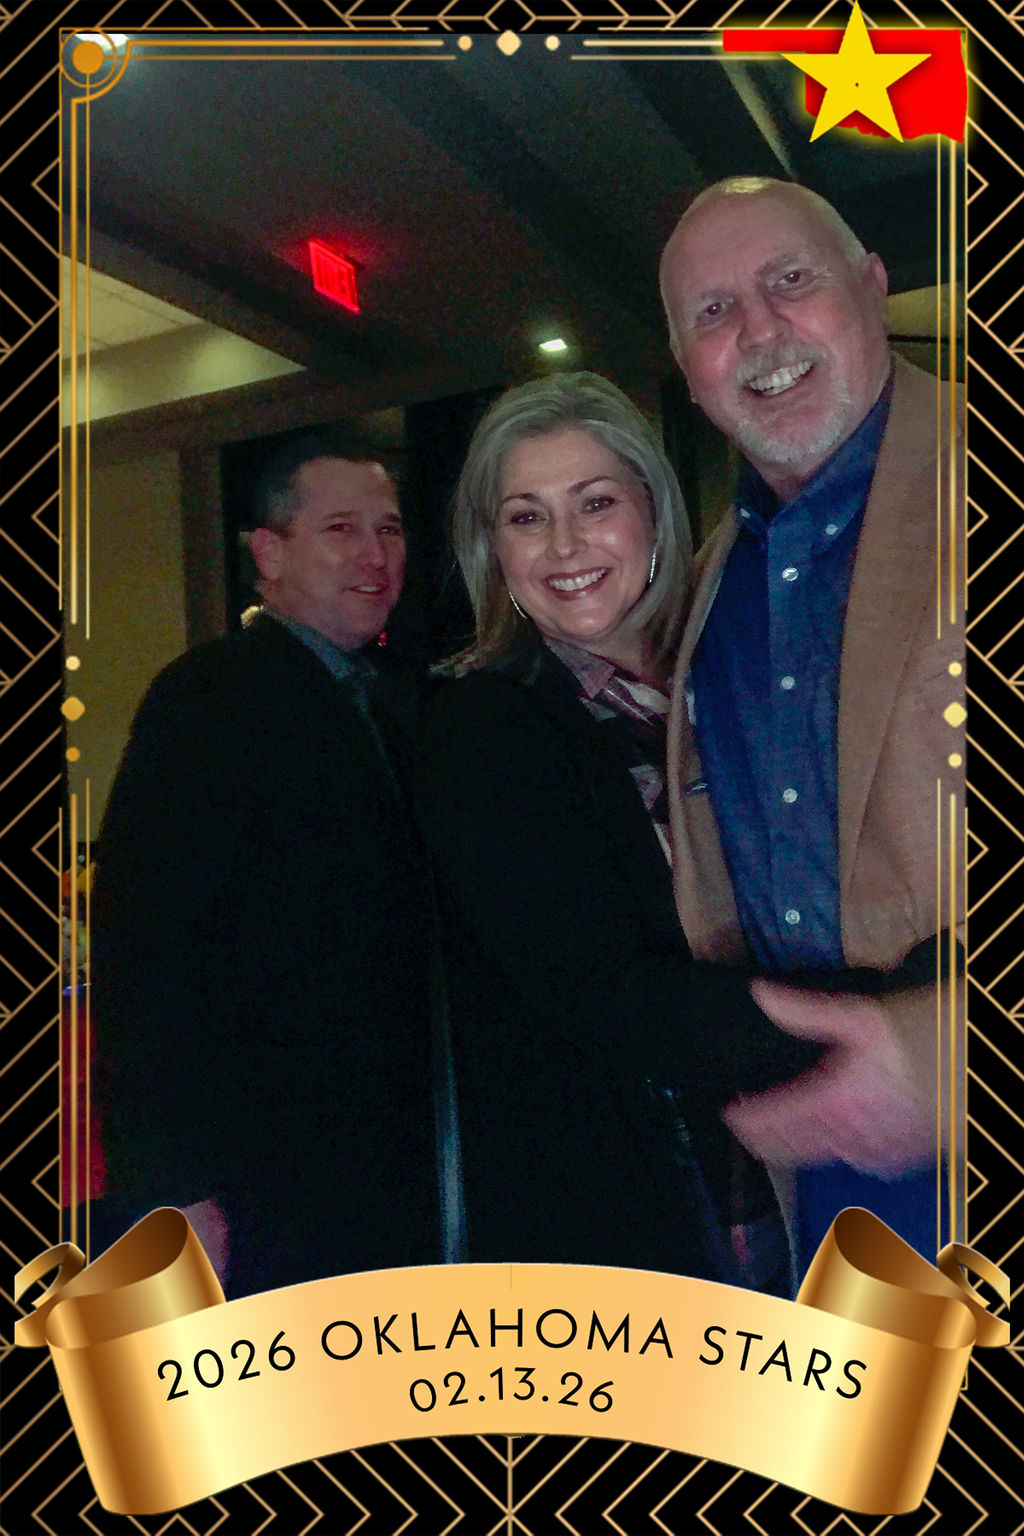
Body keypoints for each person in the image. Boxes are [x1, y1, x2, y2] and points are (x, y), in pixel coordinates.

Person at [417, 371, 835, 1290]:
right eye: (526, 517)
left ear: (653, 509)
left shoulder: (736, 671)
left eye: (596, 502)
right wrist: (872, 1028)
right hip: (655, 1210)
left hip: (830, 1158)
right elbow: (602, 994)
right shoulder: (486, 726)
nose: (565, 545)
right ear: (493, 546)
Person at [658, 176, 964, 1267]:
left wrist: (945, 1060)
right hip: (827, 1179)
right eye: (713, 311)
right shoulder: (712, 582)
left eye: (789, 280)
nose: (758, 331)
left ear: (872, 285)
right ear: (687, 370)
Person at [92, 430, 440, 1296]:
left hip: (383, 1159)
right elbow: (147, 950)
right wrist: (172, 1186)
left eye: (390, 529)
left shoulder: (387, 700)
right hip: (269, 1176)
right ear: (269, 553)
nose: (375, 555)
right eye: (341, 529)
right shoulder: (210, 697)